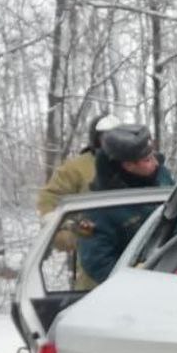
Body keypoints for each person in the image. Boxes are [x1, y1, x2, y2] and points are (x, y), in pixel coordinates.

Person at [76, 123, 174, 284]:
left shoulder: (161, 175)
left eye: (153, 155)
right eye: (148, 159)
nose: (156, 163)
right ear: (128, 165)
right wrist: (139, 278)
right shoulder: (98, 210)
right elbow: (98, 263)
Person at [38, 113, 122, 290]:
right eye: (106, 137)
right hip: (93, 246)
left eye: (117, 136)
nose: (112, 142)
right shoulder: (77, 167)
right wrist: (70, 235)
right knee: (90, 300)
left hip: (134, 244)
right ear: (96, 138)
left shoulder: (134, 164)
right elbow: (50, 199)